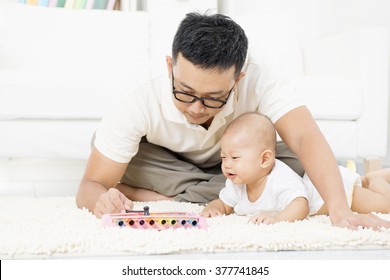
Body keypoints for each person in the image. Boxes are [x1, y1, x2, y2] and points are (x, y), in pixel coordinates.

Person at [76, 12, 390, 229]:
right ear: (170, 67)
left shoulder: (261, 75)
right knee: (255, 189)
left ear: (238, 79)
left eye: (213, 97)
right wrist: (102, 200)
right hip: (165, 164)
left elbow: (305, 136)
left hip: (234, 164)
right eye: (185, 93)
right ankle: (196, 192)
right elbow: (90, 185)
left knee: (287, 167)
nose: (197, 108)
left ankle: (359, 183)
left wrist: (339, 209)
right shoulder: (138, 93)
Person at [200, 112, 390, 225]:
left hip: (328, 193)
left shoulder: (278, 178)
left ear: (264, 159)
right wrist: (212, 209)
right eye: (224, 157)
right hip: (321, 189)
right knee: (366, 187)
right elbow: (223, 204)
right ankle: (365, 179)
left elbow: (301, 205)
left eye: (235, 158)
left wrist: (279, 220)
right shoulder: (237, 182)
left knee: (384, 205)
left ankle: (375, 179)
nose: (227, 164)